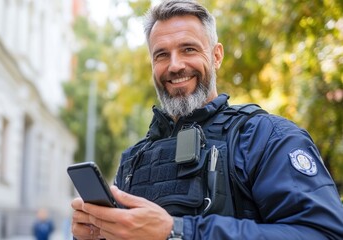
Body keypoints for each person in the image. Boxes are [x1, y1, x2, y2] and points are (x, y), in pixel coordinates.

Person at [71, 0, 343, 239]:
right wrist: (97, 233)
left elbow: (323, 233)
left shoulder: (266, 137)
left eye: (188, 49)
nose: (175, 65)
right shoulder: (135, 158)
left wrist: (177, 232)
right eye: (162, 54)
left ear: (216, 56)